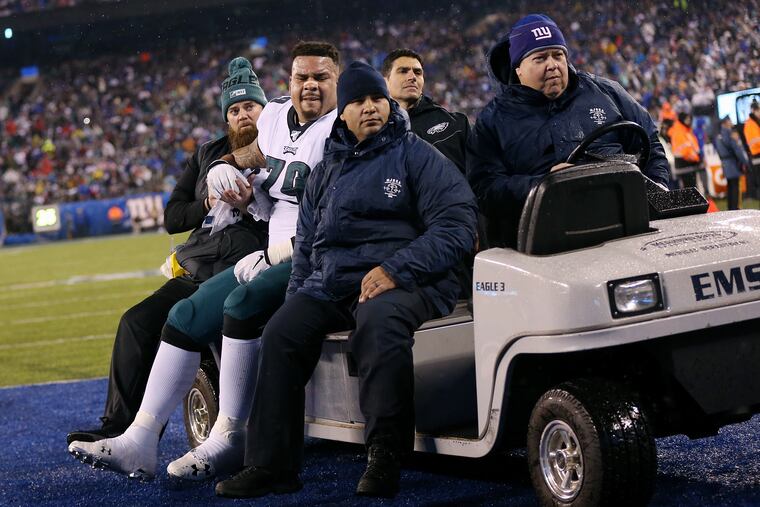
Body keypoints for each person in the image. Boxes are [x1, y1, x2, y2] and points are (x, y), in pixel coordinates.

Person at [67, 41, 340, 481]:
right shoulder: (275, 116)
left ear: (337, 81)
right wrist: (221, 167)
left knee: (239, 306)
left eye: (320, 77)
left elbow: (342, 211)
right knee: (183, 315)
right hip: (268, 254)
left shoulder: (343, 128)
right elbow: (251, 158)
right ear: (287, 81)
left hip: (310, 254)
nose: (309, 85)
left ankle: (230, 434)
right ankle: (139, 439)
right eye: (301, 77)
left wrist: (276, 249)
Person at [213, 61, 477, 500]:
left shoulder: (417, 155)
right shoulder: (326, 169)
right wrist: (297, 297)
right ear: (343, 114)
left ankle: (385, 454)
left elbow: (457, 225)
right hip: (335, 281)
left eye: (377, 99)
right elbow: (307, 247)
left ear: (389, 105)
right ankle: (271, 465)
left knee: (379, 325)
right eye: (358, 102)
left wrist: (397, 269)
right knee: (281, 331)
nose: (370, 108)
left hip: (410, 278)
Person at [65, 56, 269, 445]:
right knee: (135, 322)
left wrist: (250, 208)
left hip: (247, 269)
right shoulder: (206, 154)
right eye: (235, 110)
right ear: (226, 117)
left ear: (264, 108)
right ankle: (119, 426)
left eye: (250, 106)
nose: (243, 115)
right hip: (197, 269)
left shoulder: (281, 148)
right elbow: (173, 217)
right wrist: (208, 202)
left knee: (199, 326)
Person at [466, 13, 671, 249]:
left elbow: (649, 140)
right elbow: (484, 188)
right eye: (540, 58)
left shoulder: (606, 92)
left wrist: (657, 190)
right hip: (547, 246)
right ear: (518, 68)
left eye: (558, 55)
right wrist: (545, 185)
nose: (552, 65)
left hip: (628, 232)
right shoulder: (493, 120)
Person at [381, 48, 470, 173]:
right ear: (385, 81)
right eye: (403, 71)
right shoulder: (375, 130)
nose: (412, 77)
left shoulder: (457, 124)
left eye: (418, 72)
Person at [715, 116, 750, 210]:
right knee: (735, 187)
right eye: (729, 120)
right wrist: (745, 162)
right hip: (732, 163)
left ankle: (730, 207)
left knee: (730, 186)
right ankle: (735, 208)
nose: (731, 122)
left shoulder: (718, 135)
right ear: (725, 123)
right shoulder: (729, 133)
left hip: (725, 163)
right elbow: (737, 149)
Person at [669, 111, 704, 190]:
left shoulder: (686, 131)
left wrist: (698, 157)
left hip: (689, 165)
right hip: (685, 165)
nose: (689, 121)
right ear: (682, 119)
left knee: (692, 189)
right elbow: (685, 150)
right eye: (687, 119)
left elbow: (693, 147)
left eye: (689, 119)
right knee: (690, 190)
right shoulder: (679, 132)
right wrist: (696, 159)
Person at [743, 100, 760, 201]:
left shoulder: (755, 122)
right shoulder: (750, 123)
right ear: (754, 110)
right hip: (756, 154)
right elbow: (755, 141)